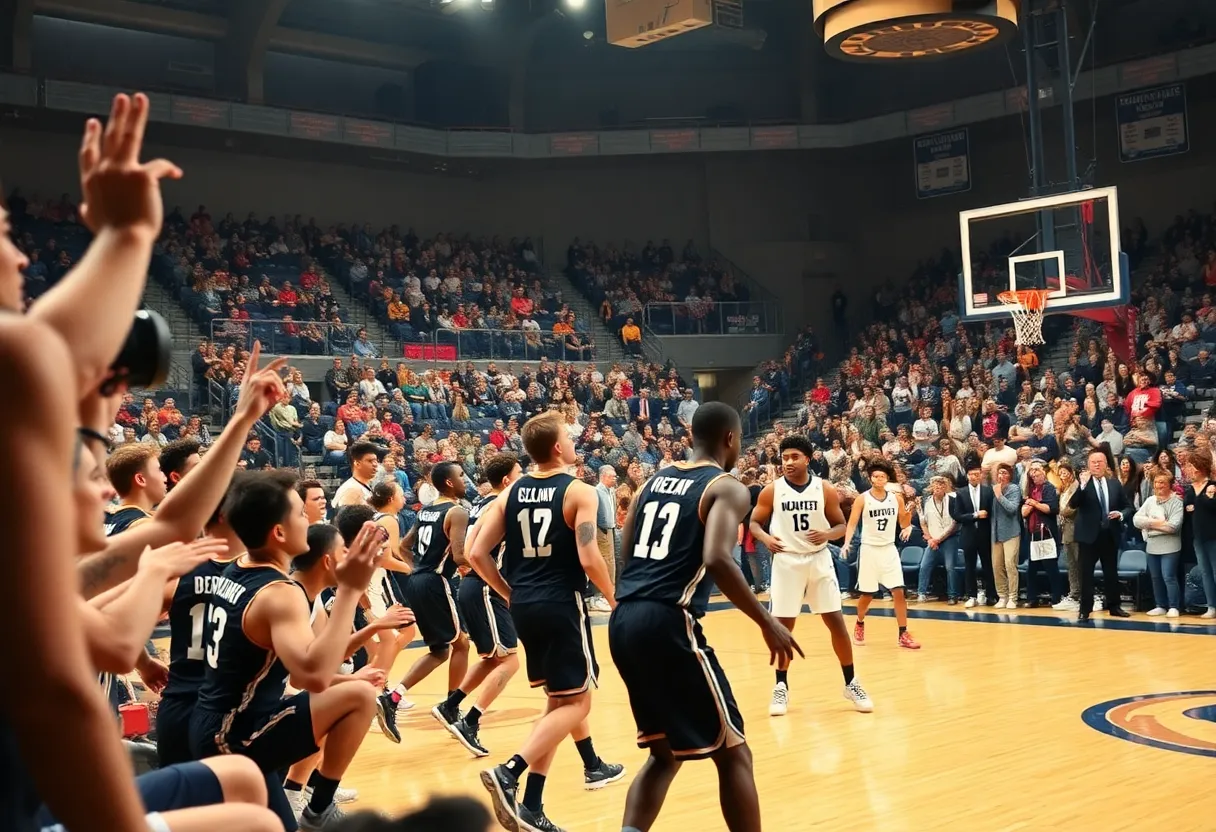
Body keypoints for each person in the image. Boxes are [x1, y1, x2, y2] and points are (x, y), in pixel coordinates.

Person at [608, 402, 801, 832]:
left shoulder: (653, 479)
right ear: (731, 438)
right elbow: (716, 556)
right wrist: (766, 620)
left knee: (664, 755)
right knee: (734, 752)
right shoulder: (726, 486)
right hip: (667, 620)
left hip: (625, 620)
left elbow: (626, 541)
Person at [189, 471, 385, 829]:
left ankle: (306, 802)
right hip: (234, 736)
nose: (308, 521)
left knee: (281, 827)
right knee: (359, 695)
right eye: (299, 515)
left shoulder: (239, 566)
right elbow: (314, 675)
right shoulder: (281, 593)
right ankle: (320, 808)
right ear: (278, 533)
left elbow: (298, 672)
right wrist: (350, 591)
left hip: (219, 719)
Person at [468, 412, 624, 832]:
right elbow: (590, 557)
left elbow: (477, 553)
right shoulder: (580, 491)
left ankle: (533, 805)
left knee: (559, 702)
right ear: (558, 448)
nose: (574, 442)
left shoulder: (510, 492)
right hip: (561, 602)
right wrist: (614, 599)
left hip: (525, 604)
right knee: (578, 703)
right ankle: (510, 772)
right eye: (569, 437)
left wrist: (508, 592)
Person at [283, 521, 414, 817]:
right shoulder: (291, 597)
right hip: (266, 708)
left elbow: (328, 656)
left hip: (286, 694)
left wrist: (376, 626)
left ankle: (308, 787)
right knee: (347, 699)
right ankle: (298, 791)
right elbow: (303, 677)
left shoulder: (310, 597)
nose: (349, 557)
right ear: (327, 560)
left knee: (351, 690)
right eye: (344, 551)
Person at [748, 435, 870, 717]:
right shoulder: (771, 490)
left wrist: (827, 534)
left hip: (818, 560)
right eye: (785, 458)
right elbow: (754, 522)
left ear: (808, 458)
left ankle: (851, 682)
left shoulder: (823, 488)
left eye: (794, 457)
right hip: (787, 562)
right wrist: (766, 538)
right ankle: (781, 686)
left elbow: (840, 526)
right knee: (783, 628)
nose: (788, 462)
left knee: (836, 623)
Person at [375, 462, 472, 744]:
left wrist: (418, 568)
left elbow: (404, 546)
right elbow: (459, 554)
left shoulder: (426, 509)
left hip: (418, 581)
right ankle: (452, 707)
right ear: (450, 483)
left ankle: (393, 698)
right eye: (461, 475)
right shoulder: (457, 511)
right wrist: (482, 571)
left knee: (441, 650)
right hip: (435, 583)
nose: (465, 479)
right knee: (462, 644)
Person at [155, 475, 246, 766]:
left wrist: (144, 664)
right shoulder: (260, 572)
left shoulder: (178, 568)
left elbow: (124, 635)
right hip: (229, 711)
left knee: (179, 804)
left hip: (180, 704)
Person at [444, 452, 525, 757]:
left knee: (492, 658)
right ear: (507, 480)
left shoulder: (482, 503)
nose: (524, 476)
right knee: (510, 661)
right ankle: (470, 721)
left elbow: (466, 549)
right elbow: (473, 552)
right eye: (520, 472)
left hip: (475, 587)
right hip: (485, 588)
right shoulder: (500, 505)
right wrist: (505, 590)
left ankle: (450, 705)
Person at [840, 459, 920, 649]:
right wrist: (846, 543)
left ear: (886, 479)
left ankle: (903, 633)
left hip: (889, 548)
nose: (879, 479)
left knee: (899, 591)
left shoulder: (896, 498)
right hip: (869, 549)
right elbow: (852, 523)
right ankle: (859, 622)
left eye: (882, 476)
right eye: (875, 476)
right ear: (871, 479)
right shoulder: (862, 498)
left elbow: (903, 522)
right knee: (867, 594)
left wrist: (909, 521)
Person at [1069, 448, 1131, 621]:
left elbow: (1128, 506)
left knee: (1111, 573)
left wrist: (1121, 514)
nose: (1097, 465)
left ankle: (1114, 606)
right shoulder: (1083, 483)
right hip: (1088, 536)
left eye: (1100, 462)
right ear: (1088, 465)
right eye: (1093, 462)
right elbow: (1073, 504)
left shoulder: (1114, 483)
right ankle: (1084, 610)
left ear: (1105, 464)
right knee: (1086, 574)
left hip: (1109, 533)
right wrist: (1081, 485)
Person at [1133, 471, 1184, 617]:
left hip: (1171, 546)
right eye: (1156, 483)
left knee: (1168, 576)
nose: (1159, 486)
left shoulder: (1177, 502)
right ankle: (1160, 605)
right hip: (1152, 545)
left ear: (1169, 485)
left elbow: (1173, 527)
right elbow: (1136, 520)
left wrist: (1148, 525)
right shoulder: (1150, 501)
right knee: (1155, 577)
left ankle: (1174, 606)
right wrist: (1157, 523)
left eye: (1162, 483)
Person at [952, 463, 997, 608]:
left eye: (977, 474)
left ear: (981, 476)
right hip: (969, 534)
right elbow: (957, 516)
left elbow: (993, 513)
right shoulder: (960, 493)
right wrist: (975, 515)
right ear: (967, 476)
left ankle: (991, 595)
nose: (974, 477)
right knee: (969, 566)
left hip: (985, 533)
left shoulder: (988, 491)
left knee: (988, 565)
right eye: (971, 474)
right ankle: (971, 595)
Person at [1020, 464, 1061, 608]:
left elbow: (1050, 509)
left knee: (1051, 567)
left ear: (1043, 474)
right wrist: (1034, 504)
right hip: (1033, 533)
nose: (1035, 477)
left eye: (1037, 474)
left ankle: (1056, 597)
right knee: (1032, 568)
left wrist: (1033, 503)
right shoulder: (1031, 490)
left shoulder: (1049, 488)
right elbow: (1023, 512)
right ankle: (1032, 598)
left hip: (1046, 532)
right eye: (1032, 476)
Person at [103, 444, 166, 535]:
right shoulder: (146, 526)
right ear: (140, 479)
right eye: (159, 470)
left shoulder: (101, 516)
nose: (164, 476)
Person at [917, 476, 960, 604]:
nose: (938, 488)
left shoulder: (953, 500)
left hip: (949, 538)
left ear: (945, 488)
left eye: (941, 486)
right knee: (924, 565)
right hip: (932, 540)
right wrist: (930, 538)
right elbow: (922, 521)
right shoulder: (926, 501)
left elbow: (954, 524)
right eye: (936, 486)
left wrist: (939, 539)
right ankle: (921, 593)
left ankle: (952, 595)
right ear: (932, 488)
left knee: (950, 567)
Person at [1185, 449, 1216, 618]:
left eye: (1190, 466)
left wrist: (1204, 500)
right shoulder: (1191, 489)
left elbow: (1212, 507)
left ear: (1198, 467)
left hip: (1213, 536)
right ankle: (1211, 606)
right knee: (1205, 572)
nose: (1188, 469)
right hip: (1198, 537)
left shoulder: (1213, 486)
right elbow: (1188, 507)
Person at [990, 463, 1023, 609]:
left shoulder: (1014, 488)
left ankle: (1013, 597)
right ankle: (1002, 595)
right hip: (996, 533)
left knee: (1010, 565)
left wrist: (999, 495)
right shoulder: (994, 488)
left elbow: (1011, 508)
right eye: (999, 473)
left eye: (1004, 473)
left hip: (1011, 532)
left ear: (1010, 475)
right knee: (997, 566)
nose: (1001, 476)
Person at [591, 466, 619, 613]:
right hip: (601, 530)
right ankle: (602, 595)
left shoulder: (612, 491)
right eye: (612, 476)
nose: (615, 478)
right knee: (606, 560)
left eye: (615, 476)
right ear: (603, 477)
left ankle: (610, 592)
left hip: (611, 528)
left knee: (612, 560)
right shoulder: (596, 491)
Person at [334, 441, 382, 507]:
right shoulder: (351, 490)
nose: (375, 464)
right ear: (357, 463)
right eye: (370, 461)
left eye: (376, 461)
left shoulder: (364, 485)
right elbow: (347, 517)